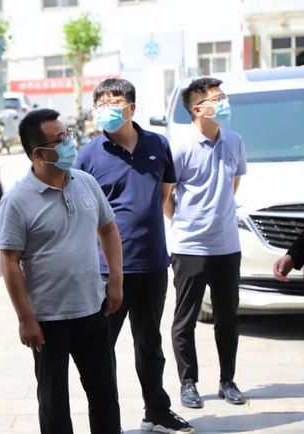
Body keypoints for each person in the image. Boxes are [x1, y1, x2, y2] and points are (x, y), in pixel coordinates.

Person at [75, 78, 194, 433]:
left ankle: (156, 412)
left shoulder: (158, 144)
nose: (107, 109)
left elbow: (164, 196)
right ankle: (106, 422)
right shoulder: (88, 155)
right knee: (101, 349)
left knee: (150, 343)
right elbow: (81, 212)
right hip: (106, 270)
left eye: (114, 102)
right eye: (101, 104)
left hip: (152, 262)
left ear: (132, 107)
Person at [0, 108, 123, 434]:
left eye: (68, 136)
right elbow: (9, 262)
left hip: (92, 309)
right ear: (38, 153)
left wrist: (115, 280)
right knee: (54, 404)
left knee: (105, 394)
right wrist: (25, 319)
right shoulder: (17, 200)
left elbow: (108, 229)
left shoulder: (86, 183)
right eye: (60, 140)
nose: (70, 144)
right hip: (47, 320)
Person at [165, 77, 247, 409]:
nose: (225, 103)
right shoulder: (180, 146)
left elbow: (234, 182)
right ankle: (188, 383)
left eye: (224, 97)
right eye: (218, 98)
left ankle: (228, 380)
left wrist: (218, 214)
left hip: (227, 245)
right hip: (190, 247)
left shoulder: (235, 141)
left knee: (228, 318)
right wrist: (188, 222)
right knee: (185, 319)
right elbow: (166, 196)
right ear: (198, 110)